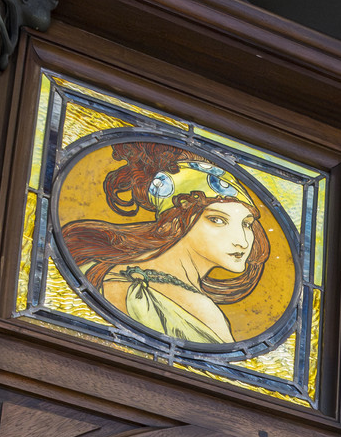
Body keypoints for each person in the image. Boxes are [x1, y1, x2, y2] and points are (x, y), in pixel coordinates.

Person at [60, 140, 270, 346]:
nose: (241, 241)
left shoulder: (115, 273)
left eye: (247, 224)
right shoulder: (155, 295)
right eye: (217, 220)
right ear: (178, 222)